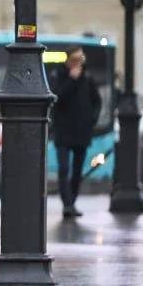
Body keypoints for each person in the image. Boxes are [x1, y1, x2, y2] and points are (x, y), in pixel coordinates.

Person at [52, 47, 101, 219]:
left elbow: (97, 102)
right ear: (68, 60)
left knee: (78, 170)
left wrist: (91, 121)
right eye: (75, 59)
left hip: (81, 132)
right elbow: (57, 99)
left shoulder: (87, 78)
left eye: (81, 59)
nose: (78, 63)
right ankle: (67, 204)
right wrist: (72, 80)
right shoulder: (59, 75)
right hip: (63, 131)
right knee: (64, 168)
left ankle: (72, 201)